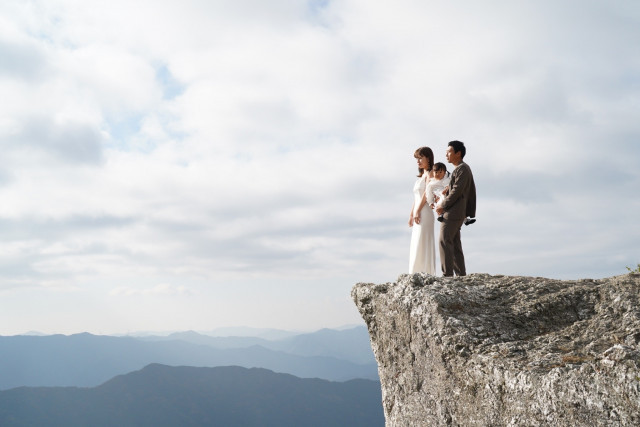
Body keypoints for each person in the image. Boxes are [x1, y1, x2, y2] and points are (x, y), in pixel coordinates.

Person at [435, 140, 476, 277]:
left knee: (444, 240)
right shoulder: (459, 169)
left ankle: (447, 276)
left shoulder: (462, 168)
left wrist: (443, 205)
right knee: (455, 243)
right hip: (456, 211)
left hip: (454, 211)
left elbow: (457, 191)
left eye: (449, 151)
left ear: (458, 153)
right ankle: (461, 276)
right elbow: (455, 189)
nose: (446, 154)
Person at [408, 147, 436, 274]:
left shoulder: (431, 174)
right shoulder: (421, 176)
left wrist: (418, 211)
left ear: (428, 158)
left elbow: (426, 194)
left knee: (423, 241)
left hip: (425, 213)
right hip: (418, 212)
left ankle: (425, 272)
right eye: (417, 159)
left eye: (420, 158)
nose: (418, 161)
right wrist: (411, 214)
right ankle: (415, 272)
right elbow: (416, 197)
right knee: (416, 242)